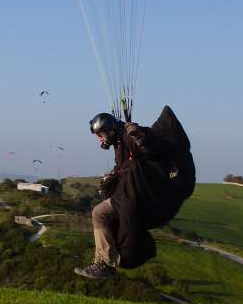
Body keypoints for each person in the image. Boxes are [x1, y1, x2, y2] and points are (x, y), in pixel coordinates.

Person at [74, 106, 196, 280]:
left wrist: (141, 139)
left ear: (109, 130)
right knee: (103, 216)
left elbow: (155, 151)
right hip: (130, 195)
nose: (99, 139)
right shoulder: (119, 141)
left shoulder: (130, 135)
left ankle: (105, 264)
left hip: (138, 195)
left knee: (99, 214)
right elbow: (125, 163)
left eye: (100, 135)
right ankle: (103, 263)